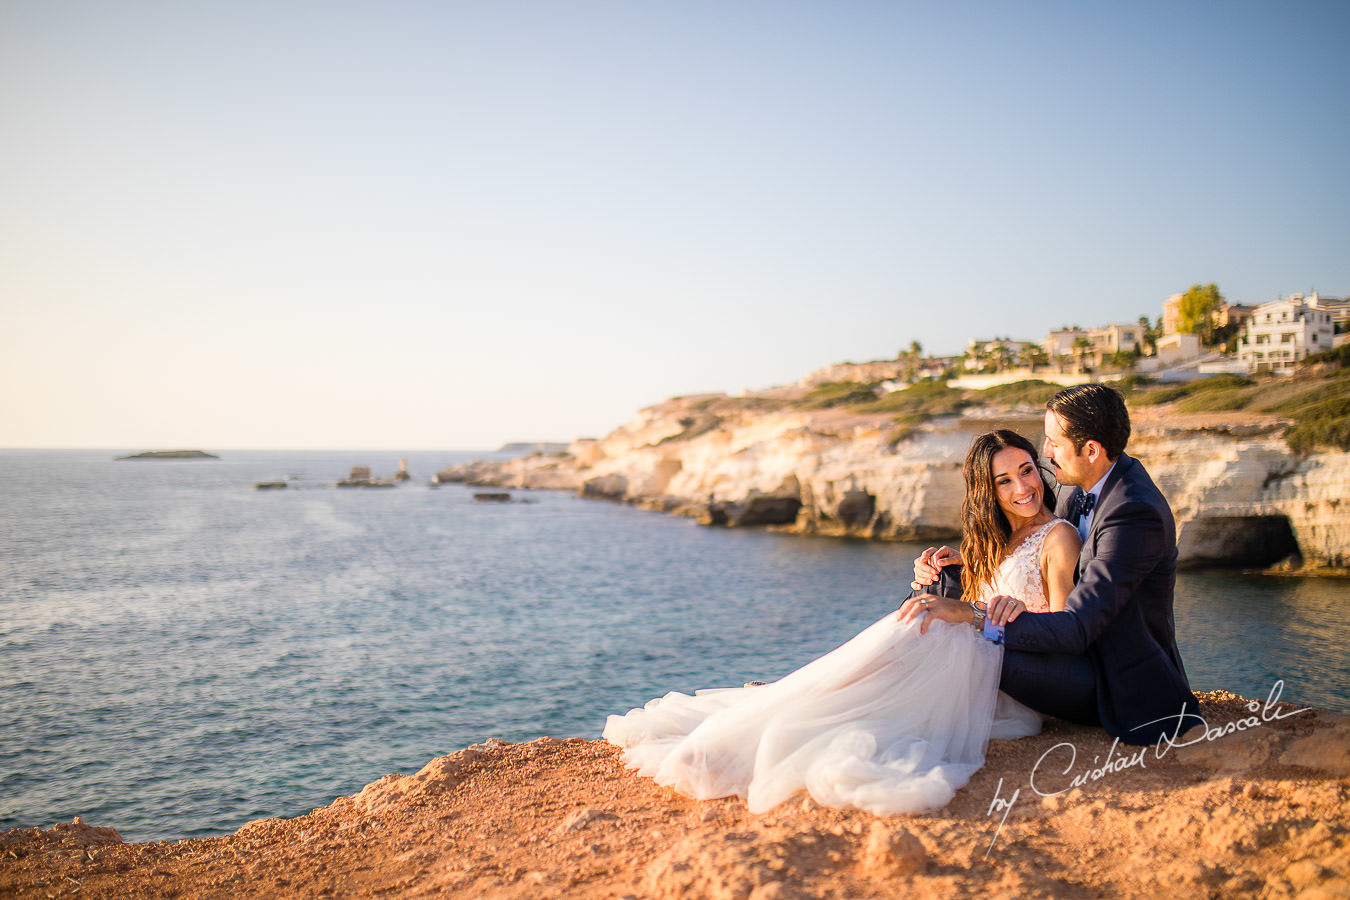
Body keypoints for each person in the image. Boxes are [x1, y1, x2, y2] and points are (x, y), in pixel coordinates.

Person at [602, 429, 1080, 816]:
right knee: (914, 619)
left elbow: (1062, 631)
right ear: (987, 491)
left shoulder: (1058, 538)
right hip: (972, 651)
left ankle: (784, 715)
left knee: (914, 634)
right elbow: (981, 598)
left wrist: (994, 612)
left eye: (1026, 471)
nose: (1023, 488)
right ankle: (786, 708)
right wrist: (940, 575)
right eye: (1004, 481)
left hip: (1005, 675)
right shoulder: (999, 536)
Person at [911, 383, 1200, 745]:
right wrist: (965, 561)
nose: (1045, 453)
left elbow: (1076, 627)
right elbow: (1035, 543)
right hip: (1063, 641)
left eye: (1054, 442)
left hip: (1111, 673)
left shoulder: (1133, 513)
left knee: (984, 650)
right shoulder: (1075, 482)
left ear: (1091, 450)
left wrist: (975, 615)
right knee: (936, 582)